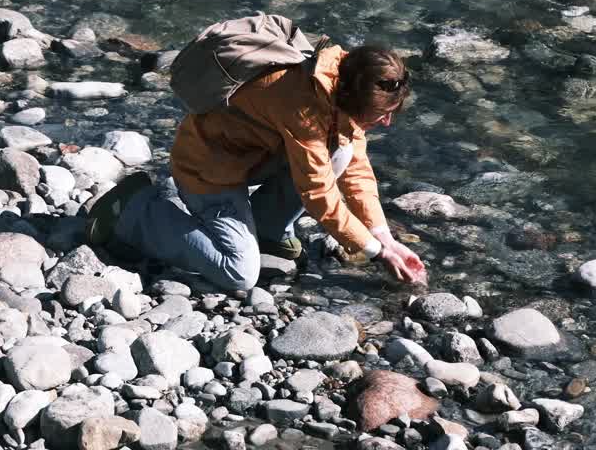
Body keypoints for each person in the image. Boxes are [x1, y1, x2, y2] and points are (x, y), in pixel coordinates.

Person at [84, 43, 427, 291]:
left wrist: (384, 236)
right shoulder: (301, 105)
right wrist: (377, 252)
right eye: (380, 115)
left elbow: (356, 168)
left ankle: (267, 228)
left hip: (252, 157)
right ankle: (133, 211)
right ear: (352, 100)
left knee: (342, 153)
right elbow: (319, 192)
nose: (386, 124)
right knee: (238, 273)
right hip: (209, 168)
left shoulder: (341, 84)